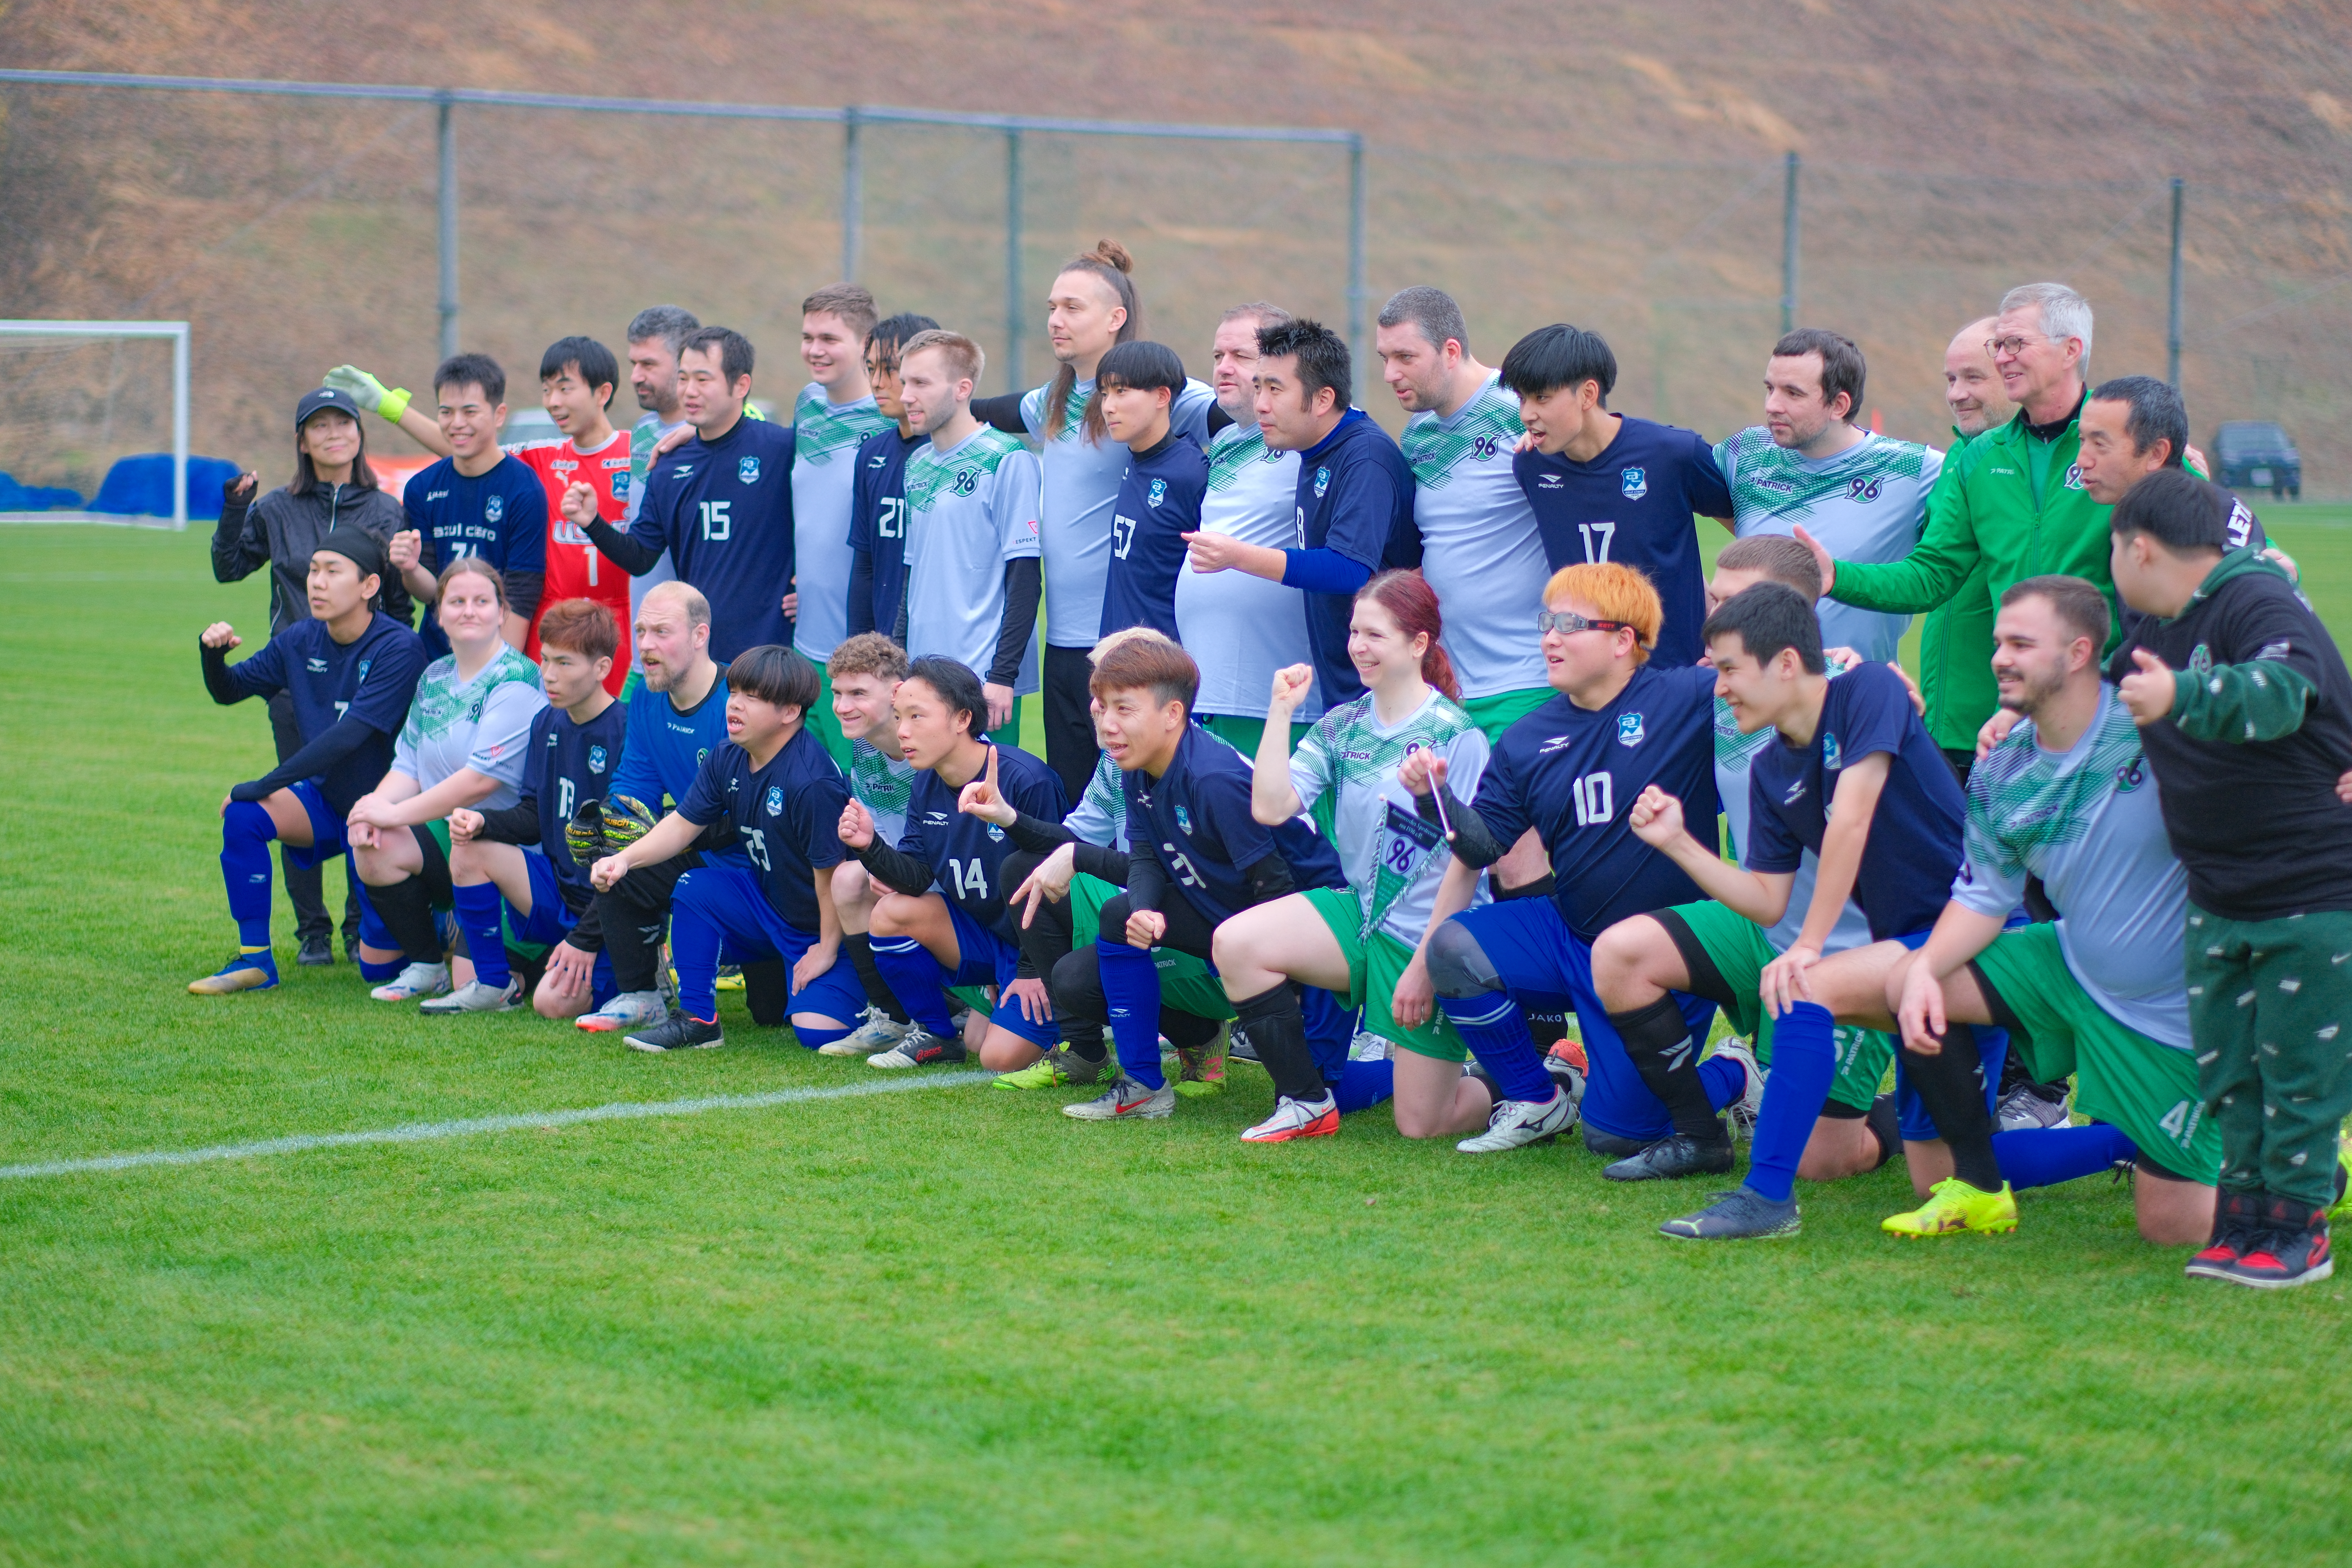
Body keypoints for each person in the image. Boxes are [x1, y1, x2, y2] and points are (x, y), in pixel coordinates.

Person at [1616, 583, 1993, 1242]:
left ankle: (1766, 1198)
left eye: (1729, 668)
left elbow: (1852, 817)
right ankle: (2118, 1148)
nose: (1719, 687)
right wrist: (1677, 842)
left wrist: (1809, 944)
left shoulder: (1869, 689)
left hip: (1979, 935)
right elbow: (1767, 899)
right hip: (1904, 956)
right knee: (1948, 1178)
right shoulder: (1771, 768)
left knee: (1806, 985)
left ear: (1787, 662)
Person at [1887, 575, 2220, 1244]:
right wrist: (1923, 969)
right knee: (1907, 980)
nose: (1999, 658)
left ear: (2078, 652)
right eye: (1997, 643)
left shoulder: (2154, 727)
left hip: (2172, 1003)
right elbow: (1983, 897)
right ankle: (1978, 1184)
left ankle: (2318, 1173)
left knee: (2174, 1227)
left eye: (2020, 644)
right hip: (2069, 961)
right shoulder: (2000, 767)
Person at [1404, 564, 1750, 1159]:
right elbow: (1483, 848)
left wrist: (1848, 671)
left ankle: (1736, 1071)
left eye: (1569, 624)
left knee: (1621, 1134)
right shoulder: (1526, 737)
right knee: (1454, 948)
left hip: (1662, 953)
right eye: (1547, 623)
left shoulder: (1687, 697)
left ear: (1623, 640)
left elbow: (1778, 684)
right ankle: (1536, 1098)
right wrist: (1433, 799)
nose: (1550, 638)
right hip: (1573, 933)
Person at [2107, 470, 2352, 1288]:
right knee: (2230, 1072)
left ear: (2140, 548)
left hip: (2310, 890)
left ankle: (2299, 1232)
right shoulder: (2153, 621)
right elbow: (2098, 692)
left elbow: (2282, 694)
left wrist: (2181, 694)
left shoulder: (2256, 600)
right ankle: (2243, 1222)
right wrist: (2018, 712)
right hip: (2218, 892)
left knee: (2300, 1072)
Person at [1590, 536, 1889, 1185]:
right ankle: (1701, 1132)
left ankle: (1914, 1117)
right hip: (1761, 923)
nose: (1715, 614)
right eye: (1714, 597)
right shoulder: (1723, 691)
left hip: (1851, 949)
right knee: (1620, 953)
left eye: (1733, 600)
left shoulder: (1858, 696)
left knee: (1818, 1162)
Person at [1211, 571, 1497, 1139]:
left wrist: (1425, 965)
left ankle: (1526, 1084)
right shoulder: (1340, 726)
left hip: (1433, 936)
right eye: (1353, 632)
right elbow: (1270, 806)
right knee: (1236, 943)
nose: (1357, 647)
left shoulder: (1457, 735)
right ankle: (1306, 1100)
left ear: (1418, 644)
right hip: (1360, 917)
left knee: (1423, 1125)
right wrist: (1279, 710)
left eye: (1374, 635)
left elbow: (1467, 863)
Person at [1031, 637, 1358, 1133]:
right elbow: (1146, 854)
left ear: (1172, 714)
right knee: (1119, 916)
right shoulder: (1136, 764)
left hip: (1313, 926)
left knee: (1335, 1092)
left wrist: (1282, 982)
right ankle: (1143, 1087)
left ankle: (1426, 1077)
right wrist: (1144, 907)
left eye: (1124, 708)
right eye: (1103, 706)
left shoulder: (1212, 778)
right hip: (1232, 915)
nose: (1107, 722)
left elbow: (1274, 883)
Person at [1807, 283, 2105, 744]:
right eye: (1998, 346)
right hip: (2002, 727)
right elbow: (1934, 573)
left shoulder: (2126, 439)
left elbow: (2198, 543)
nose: (2003, 357)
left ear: (2071, 351)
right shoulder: (1980, 457)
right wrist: (1836, 576)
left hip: (2103, 716)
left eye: (2015, 344)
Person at [970, 241, 1215, 798]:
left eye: (1072, 308)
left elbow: (1239, 417)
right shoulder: (1054, 400)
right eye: (1052, 307)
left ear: (1115, 318)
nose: (1055, 320)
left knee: (1136, 807)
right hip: (1062, 643)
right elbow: (988, 412)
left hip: (1127, 643)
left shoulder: (1161, 396)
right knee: (1076, 803)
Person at [210, 385, 419, 966]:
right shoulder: (277, 507)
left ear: (360, 433)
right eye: (319, 426)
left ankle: (360, 927)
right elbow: (229, 568)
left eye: (344, 423)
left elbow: (396, 602)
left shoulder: (386, 509)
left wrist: (390, 664)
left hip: (370, 681)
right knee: (295, 793)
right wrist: (235, 511)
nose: (334, 435)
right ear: (301, 440)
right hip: (294, 682)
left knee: (364, 796)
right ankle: (312, 931)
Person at [984, 628, 1238, 1095]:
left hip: (1207, 933)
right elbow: (1077, 839)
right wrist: (1008, 817)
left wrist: (1078, 857)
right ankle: (1085, 1054)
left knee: (1083, 971)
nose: (1097, 707)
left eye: (1117, 696)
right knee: (1024, 868)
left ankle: (1202, 1038)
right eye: (1098, 691)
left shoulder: (1203, 769)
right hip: (1137, 911)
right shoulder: (1118, 761)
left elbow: (1180, 875)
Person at [585, 646, 867, 1054]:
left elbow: (830, 878)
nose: (734, 705)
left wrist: (825, 949)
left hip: (822, 925)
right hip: (768, 905)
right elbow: (683, 825)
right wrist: (622, 860)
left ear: (790, 712)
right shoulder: (729, 755)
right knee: (694, 887)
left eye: (752, 697)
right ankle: (698, 1020)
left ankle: (880, 990)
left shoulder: (812, 781)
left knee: (817, 1033)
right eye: (734, 692)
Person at [191, 531, 427, 994]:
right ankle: (256, 962)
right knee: (244, 817)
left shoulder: (399, 647)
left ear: (369, 586)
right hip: (326, 802)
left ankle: (438, 925)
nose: (317, 582)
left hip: (388, 814)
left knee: (379, 971)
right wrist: (212, 658)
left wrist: (263, 783)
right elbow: (231, 690)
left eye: (332, 572)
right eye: (314, 570)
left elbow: (349, 736)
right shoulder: (300, 638)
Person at [836, 657, 1070, 1069]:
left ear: (963, 719)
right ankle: (938, 1035)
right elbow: (916, 877)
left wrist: (1031, 969)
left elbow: (1057, 892)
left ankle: (1074, 1011)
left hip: (1044, 945)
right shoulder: (927, 781)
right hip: (989, 936)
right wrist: (869, 847)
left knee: (996, 1056)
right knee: (891, 913)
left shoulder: (1026, 780)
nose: (902, 731)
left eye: (917, 716)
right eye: (899, 717)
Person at [1182, 317, 1418, 712]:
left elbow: (1349, 569)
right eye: (1259, 387)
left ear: (1323, 400)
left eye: (1275, 389)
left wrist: (1237, 556)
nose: (1261, 404)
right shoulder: (1313, 449)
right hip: (1345, 688)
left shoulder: (1365, 456)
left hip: (1384, 695)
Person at [346, 557, 548, 1003]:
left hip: (511, 849)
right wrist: (370, 812)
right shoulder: (435, 676)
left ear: (503, 612)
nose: (469, 610)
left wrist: (394, 814)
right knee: (374, 844)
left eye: (482, 601)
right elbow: (407, 766)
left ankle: (543, 950)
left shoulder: (517, 677)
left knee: (470, 981)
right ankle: (426, 965)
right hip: (455, 839)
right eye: (457, 601)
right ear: (438, 615)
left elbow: (479, 783)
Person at [429, 598, 629, 1017]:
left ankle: (644, 973)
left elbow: (631, 857)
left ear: (602, 668)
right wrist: (483, 822)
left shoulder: (626, 731)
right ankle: (493, 985)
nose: (549, 675)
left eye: (565, 663)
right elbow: (534, 816)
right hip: (558, 889)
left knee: (551, 1004)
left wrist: (586, 938)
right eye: (546, 660)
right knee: (468, 850)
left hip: (611, 903)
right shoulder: (547, 722)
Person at [1503, 324, 1733, 669]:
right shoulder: (1531, 465)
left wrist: (1729, 622)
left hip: (1676, 676)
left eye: (1542, 398)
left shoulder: (1674, 454)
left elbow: (1750, 531)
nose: (1527, 414)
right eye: (1523, 400)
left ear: (1588, 394)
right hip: (1586, 679)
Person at [563, 327, 796, 663]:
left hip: (771, 661)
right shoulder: (669, 464)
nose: (689, 391)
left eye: (703, 380)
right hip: (699, 661)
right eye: (683, 379)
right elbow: (640, 558)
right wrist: (592, 522)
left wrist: (811, 585)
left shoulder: (781, 449)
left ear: (741, 386)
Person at [569, 581, 740, 1035]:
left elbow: (744, 813)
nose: (645, 645)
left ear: (700, 636)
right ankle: (642, 995)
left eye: (662, 632)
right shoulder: (645, 696)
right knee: (616, 853)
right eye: (641, 631)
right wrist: (610, 823)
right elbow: (635, 783)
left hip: (753, 865)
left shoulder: (737, 700)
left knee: (776, 1011)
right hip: (696, 846)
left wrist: (661, 837)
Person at [1716, 329, 1941, 664]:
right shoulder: (1744, 453)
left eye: (1793, 393)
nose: (1772, 405)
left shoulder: (1917, 471)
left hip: (1853, 689)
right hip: (1749, 689)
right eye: (1770, 389)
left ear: (1839, 405)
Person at [1173, 303, 1317, 754]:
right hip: (1205, 689)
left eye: (1240, 355)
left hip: (1271, 693)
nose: (1224, 367)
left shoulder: (1314, 437)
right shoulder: (1226, 439)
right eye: (1218, 356)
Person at [896, 330, 1042, 744]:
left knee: (984, 787)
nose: (906, 396)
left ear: (963, 389)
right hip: (921, 675)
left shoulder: (1006, 458)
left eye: (921, 383)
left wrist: (1003, 676)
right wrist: (898, 661)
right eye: (905, 382)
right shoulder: (917, 464)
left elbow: (1025, 575)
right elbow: (912, 575)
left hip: (980, 679)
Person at [786, 284, 894, 764]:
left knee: (866, 792)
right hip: (804, 643)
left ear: (867, 344)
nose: (815, 350)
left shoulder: (891, 417)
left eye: (830, 339)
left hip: (861, 652)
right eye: (808, 337)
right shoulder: (807, 404)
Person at [385, 354, 546, 656]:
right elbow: (431, 592)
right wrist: (410, 569)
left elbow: (522, 596)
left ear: (499, 415)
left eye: (470, 412)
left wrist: (499, 670)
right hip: (438, 655)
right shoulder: (422, 487)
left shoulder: (525, 489)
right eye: (446, 412)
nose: (457, 424)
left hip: (499, 655)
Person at [510, 337, 636, 695]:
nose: (553, 401)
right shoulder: (542, 457)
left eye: (565, 389)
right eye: (547, 390)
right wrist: (390, 407)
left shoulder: (641, 454)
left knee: (619, 723)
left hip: (623, 622)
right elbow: (469, 450)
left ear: (603, 392)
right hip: (556, 621)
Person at [818, 631, 923, 1058]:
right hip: (906, 873)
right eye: (837, 693)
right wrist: (886, 868)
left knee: (984, 1044)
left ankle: (951, 1004)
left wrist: (902, 873)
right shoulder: (863, 747)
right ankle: (892, 1017)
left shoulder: (932, 745)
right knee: (848, 880)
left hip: (953, 882)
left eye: (858, 693)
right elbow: (876, 827)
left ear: (897, 692)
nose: (842, 706)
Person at [1919, 318, 2014, 776]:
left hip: (2001, 731)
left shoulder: (2079, 458)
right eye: (1951, 379)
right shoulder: (1959, 455)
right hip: (1940, 731)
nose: (1956, 394)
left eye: (1974, 377)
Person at [1094, 340, 1208, 641]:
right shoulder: (1135, 459)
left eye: (1121, 391)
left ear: (1162, 396)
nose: (1108, 406)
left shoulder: (1190, 474)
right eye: (1105, 394)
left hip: (1161, 659)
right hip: (1117, 655)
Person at [845, 311, 942, 643]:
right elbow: (865, 567)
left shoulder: (958, 455)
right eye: (871, 369)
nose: (876, 382)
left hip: (948, 650)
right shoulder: (872, 454)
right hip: (887, 650)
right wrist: (858, 648)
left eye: (890, 369)